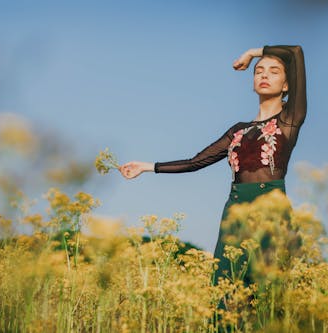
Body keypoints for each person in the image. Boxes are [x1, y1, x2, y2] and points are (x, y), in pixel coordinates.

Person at [118, 44, 306, 286]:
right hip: (235, 210)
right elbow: (196, 162)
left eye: (274, 71)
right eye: (259, 71)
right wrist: (147, 166)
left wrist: (251, 54)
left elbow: (296, 52)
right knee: (225, 286)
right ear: (252, 82)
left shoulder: (289, 120)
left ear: (287, 85)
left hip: (271, 210)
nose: (264, 75)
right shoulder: (237, 131)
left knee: (269, 288)